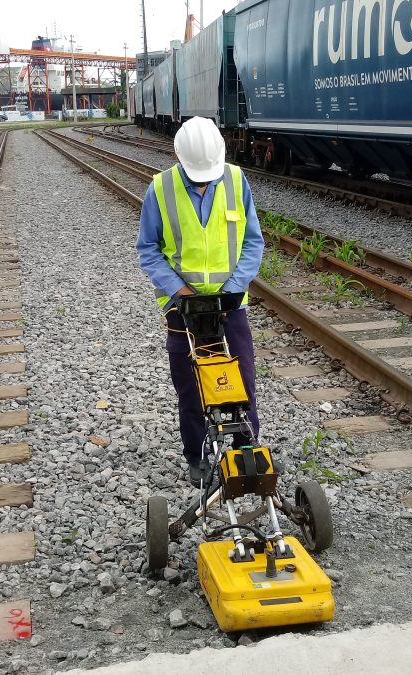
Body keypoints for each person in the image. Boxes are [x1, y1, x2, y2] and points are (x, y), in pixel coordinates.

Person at [136, 116, 265, 487]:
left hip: (231, 303)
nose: (205, 180)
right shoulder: (160, 189)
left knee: (241, 380)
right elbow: (148, 250)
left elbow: (253, 241)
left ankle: (244, 450)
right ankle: (197, 454)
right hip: (182, 307)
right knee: (191, 386)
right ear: (180, 160)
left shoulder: (237, 181)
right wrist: (179, 291)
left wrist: (235, 287)